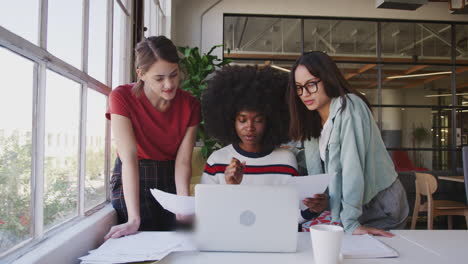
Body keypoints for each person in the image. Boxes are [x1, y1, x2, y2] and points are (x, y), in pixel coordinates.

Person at [288, 51, 409, 237]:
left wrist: (350, 222)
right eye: (299, 88)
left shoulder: (350, 106)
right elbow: (324, 175)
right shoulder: (314, 122)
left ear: (327, 78)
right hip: (350, 208)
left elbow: (353, 168)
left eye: (311, 84)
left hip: (379, 204)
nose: (304, 94)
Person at [200, 65, 327, 221]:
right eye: (242, 120)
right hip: (231, 240)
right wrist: (230, 187)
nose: (250, 127)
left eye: (258, 120)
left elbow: (292, 214)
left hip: (275, 240)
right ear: (230, 121)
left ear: (271, 121)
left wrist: (313, 210)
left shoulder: (285, 160)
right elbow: (206, 212)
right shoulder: (217, 161)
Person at [104, 36, 200, 239]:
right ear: (141, 74)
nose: (169, 84)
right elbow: (129, 157)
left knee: (182, 236)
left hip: (170, 177)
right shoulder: (121, 97)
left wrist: (182, 205)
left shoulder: (191, 105)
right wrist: (133, 219)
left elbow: (183, 162)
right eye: (159, 78)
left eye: (174, 75)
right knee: (142, 233)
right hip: (134, 175)